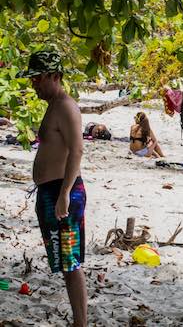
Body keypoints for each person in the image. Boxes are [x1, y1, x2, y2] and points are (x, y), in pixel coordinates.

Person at [17, 51, 88, 326]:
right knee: (63, 262)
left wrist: (65, 193)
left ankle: (81, 323)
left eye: (38, 78)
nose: (34, 84)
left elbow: (77, 150)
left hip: (63, 191)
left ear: (54, 76)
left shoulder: (66, 106)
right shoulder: (54, 104)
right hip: (51, 191)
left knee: (71, 263)